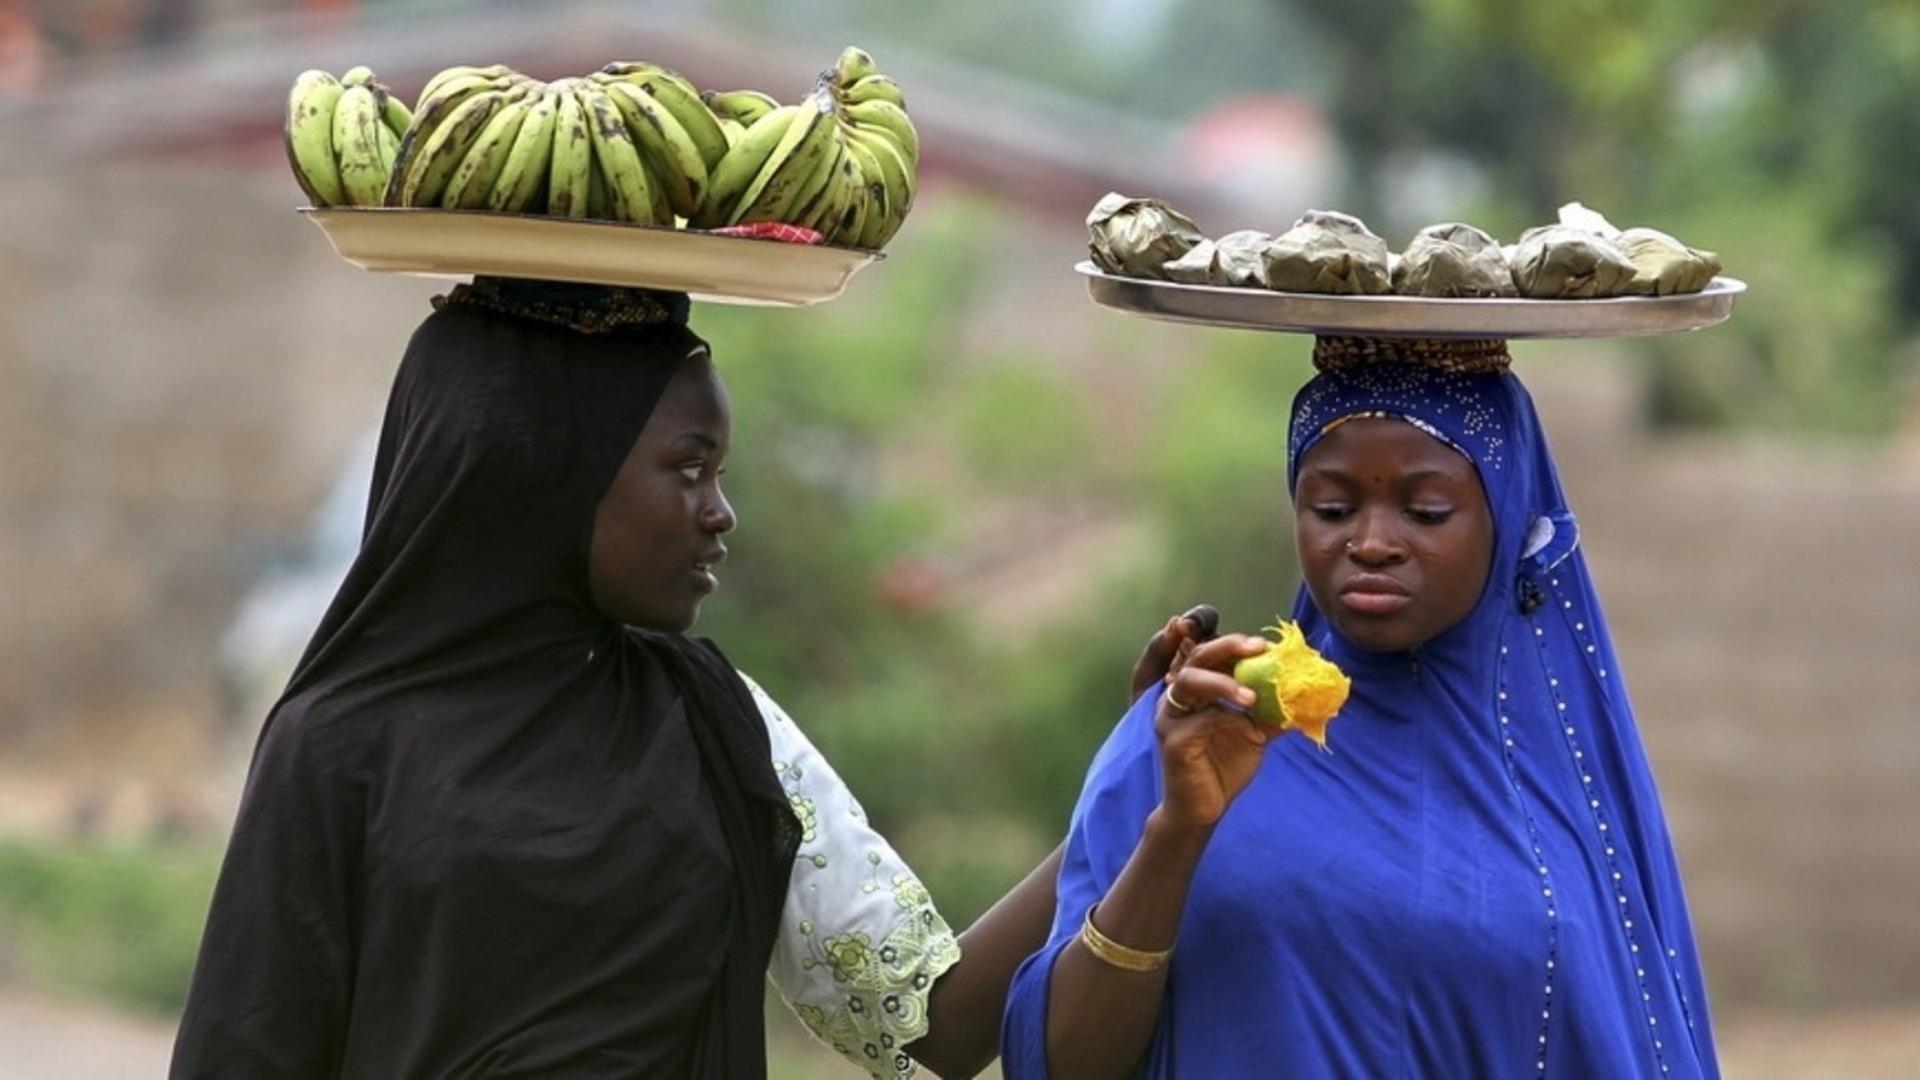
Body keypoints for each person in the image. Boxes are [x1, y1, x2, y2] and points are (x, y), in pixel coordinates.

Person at [170, 278, 1212, 1079]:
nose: (723, 512)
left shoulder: (719, 724)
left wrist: (1131, 795)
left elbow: (926, 1026)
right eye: (688, 467)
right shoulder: (344, 742)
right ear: (546, 472)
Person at [1002, 348, 1719, 1078]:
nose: (1371, 544)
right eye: (1333, 509)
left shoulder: (1570, 797)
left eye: (1426, 511)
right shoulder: (1198, 734)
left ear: (1506, 523)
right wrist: (1177, 831)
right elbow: (1062, 1064)